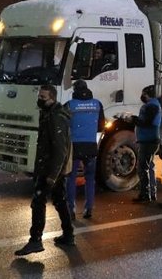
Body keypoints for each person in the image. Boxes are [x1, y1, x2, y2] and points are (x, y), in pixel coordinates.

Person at [15, 85, 74, 256]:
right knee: (59, 200)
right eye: (39, 96)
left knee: (38, 203)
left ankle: (35, 241)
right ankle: (68, 234)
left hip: (50, 170)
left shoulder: (55, 117)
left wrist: (52, 176)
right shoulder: (49, 113)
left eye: (43, 97)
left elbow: (60, 149)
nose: (39, 100)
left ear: (52, 98)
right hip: (50, 168)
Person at [65, 80, 104, 219]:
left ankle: (71, 209)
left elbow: (63, 125)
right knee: (90, 178)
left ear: (75, 90)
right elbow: (101, 126)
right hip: (91, 146)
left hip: (75, 146)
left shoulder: (70, 105)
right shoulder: (97, 104)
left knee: (71, 178)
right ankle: (89, 208)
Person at [131, 85, 162, 203]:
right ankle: (151, 193)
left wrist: (133, 119)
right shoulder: (152, 105)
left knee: (142, 168)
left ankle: (145, 194)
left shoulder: (152, 106)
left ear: (148, 95)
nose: (142, 96)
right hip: (149, 140)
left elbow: (146, 122)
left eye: (144, 94)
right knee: (149, 167)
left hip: (148, 141)